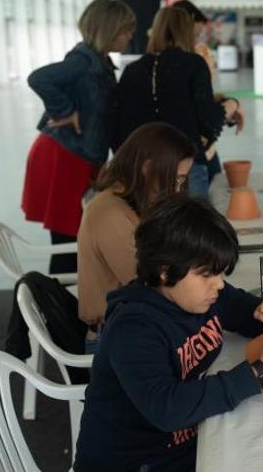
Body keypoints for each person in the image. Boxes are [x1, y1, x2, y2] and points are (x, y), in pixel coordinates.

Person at [75, 195, 263, 471]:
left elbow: (256, 316)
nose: (219, 284)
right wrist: (260, 374)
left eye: (220, 273)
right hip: (137, 462)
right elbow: (168, 409)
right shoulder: (133, 328)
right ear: (164, 271)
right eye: (207, 274)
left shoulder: (204, 294)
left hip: (187, 444)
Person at [23, 0, 135, 274]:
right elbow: (38, 78)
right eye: (125, 30)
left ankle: (65, 303)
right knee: (68, 237)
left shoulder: (100, 62)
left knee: (76, 237)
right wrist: (65, 110)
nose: (130, 36)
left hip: (79, 155)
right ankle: (54, 307)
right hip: (65, 155)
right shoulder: (83, 61)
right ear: (108, 29)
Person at [77, 122, 195, 352]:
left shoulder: (137, 200)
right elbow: (151, 284)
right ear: (148, 170)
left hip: (138, 322)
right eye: (177, 179)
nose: (180, 189)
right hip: (114, 338)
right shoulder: (109, 213)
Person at [117, 7, 241, 200]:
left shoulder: (133, 70)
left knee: (154, 223)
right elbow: (208, 119)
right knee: (188, 222)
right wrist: (233, 104)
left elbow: (121, 124)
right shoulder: (193, 64)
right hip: (184, 170)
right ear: (187, 31)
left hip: (145, 171)